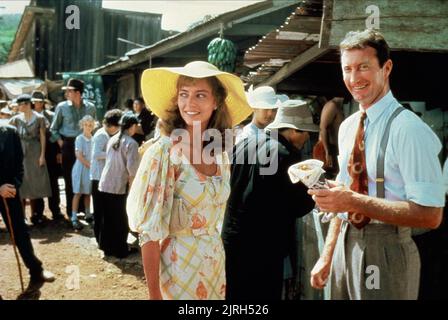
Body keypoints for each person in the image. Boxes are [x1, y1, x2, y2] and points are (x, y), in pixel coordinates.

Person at [308, 29, 444, 300]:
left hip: (386, 247)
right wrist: (327, 254)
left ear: (387, 67)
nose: (354, 78)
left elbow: (430, 215)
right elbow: (346, 198)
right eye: (347, 69)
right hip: (345, 246)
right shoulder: (348, 127)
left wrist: (352, 201)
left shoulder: (408, 129)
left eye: (363, 67)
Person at [126, 61, 252, 300]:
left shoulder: (220, 153)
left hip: (214, 266)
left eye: (200, 95)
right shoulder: (164, 151)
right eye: (184, 94)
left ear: (216, 101)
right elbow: (149, 232)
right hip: (177, 270)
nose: (190, 103)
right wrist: (154, 294)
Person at [222, 100, 316, 300]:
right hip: (263, 248)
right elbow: (299, 205)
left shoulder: (244, 144)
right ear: (291, 131)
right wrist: (317, 186)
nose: (308, 136)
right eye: (305, 131)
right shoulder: (286, 155)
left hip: (232, 240)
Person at [0, 123, 55, 293]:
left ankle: (36, 271)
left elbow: (19, 163)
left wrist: (14, 185)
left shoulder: (10, 132)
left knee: (20, 232)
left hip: (10, 191)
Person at [50, 78, 96, 220]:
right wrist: (61, 143)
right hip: (68, 144)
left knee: (87, 176)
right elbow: (53, 128)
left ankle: (85, 210)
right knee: (70, 178)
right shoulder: (61, 107)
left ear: (77, 92)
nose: (67, 93)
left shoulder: (91, 107)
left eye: (69, 91)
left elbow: (95, 126)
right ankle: (72, 211)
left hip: (86, 143)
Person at [98, 112, 140, 258]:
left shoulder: (113, 138)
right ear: (133, 126)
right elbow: (132, 171)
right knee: (121, 219)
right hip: (118, 186)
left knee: (108, 218)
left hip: (105, 183)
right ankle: (120, 250)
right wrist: (133, 191)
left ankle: (107, 247)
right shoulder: (131, 143)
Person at [8, 94, 52, 225]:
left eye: (22, 104)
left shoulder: (39, 118)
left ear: (27, 104)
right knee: (22, 181)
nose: (20, 107)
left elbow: (43, 136)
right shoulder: (16, 119)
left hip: (35, 150)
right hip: (20, 150)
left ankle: (36, 214)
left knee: (36, 181)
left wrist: (42, 155)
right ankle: (21, 216)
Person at [30, 90, 64, 221]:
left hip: (50, 152)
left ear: (44, 102)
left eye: (40, 101)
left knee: (53, 182)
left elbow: (56, 133)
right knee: (36, 182)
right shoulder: (29, 116)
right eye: (35, 102)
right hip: (33, 152)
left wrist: (59, 152)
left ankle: (55, 210)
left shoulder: (51, 115)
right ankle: (38, 212)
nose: (37, 104)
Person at [90, 109, 122, 243]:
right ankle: (100, 239)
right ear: (112, 126)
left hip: (103, 177)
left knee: (103, 211)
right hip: (98, 177)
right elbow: (96, 154)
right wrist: (112, 153)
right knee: (100, 211)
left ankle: (103, 239)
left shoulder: (106, 134)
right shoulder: (101, 135)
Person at [70, 115, 96, 230]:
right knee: (78, 192)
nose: (88, 127)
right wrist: (90, 165)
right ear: (82, 125)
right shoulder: (79, 138)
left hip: (90, 168)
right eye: (86, 125)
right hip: (81, 168)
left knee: (88, 192)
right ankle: (74, 216)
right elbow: (79, 155)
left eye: (90, 125)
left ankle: (88, 213)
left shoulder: (94, 138)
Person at [317, 97, 344, 178]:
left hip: (335, 149)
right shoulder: (331, 105)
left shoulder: (338, 106)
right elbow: (322, 127)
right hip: (328, 149)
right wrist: (327, 152)